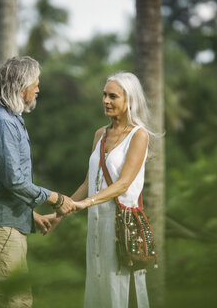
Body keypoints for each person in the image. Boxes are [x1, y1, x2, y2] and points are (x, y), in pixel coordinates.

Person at [0, 56, 76, 308]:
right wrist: (55, 198)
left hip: (6, 225)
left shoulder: (6, 118)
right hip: (1, 229)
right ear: (21, 86)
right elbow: (13, 180)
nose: (38, 88)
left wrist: (32, 215)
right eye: (35, 83)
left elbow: (5, 180)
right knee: (11, 302)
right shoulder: (3, 122)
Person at [51, 72, 153, 307]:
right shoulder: (100, 134)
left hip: (122, 226)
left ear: (129, 100)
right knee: (99, 289)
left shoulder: (139, 135)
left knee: (122, 291)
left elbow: (123, 183)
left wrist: (85, 204)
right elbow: (89, 184)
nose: (106, 100)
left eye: (113, 96)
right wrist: (59, 216)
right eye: (104, 95)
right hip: (97, 224)